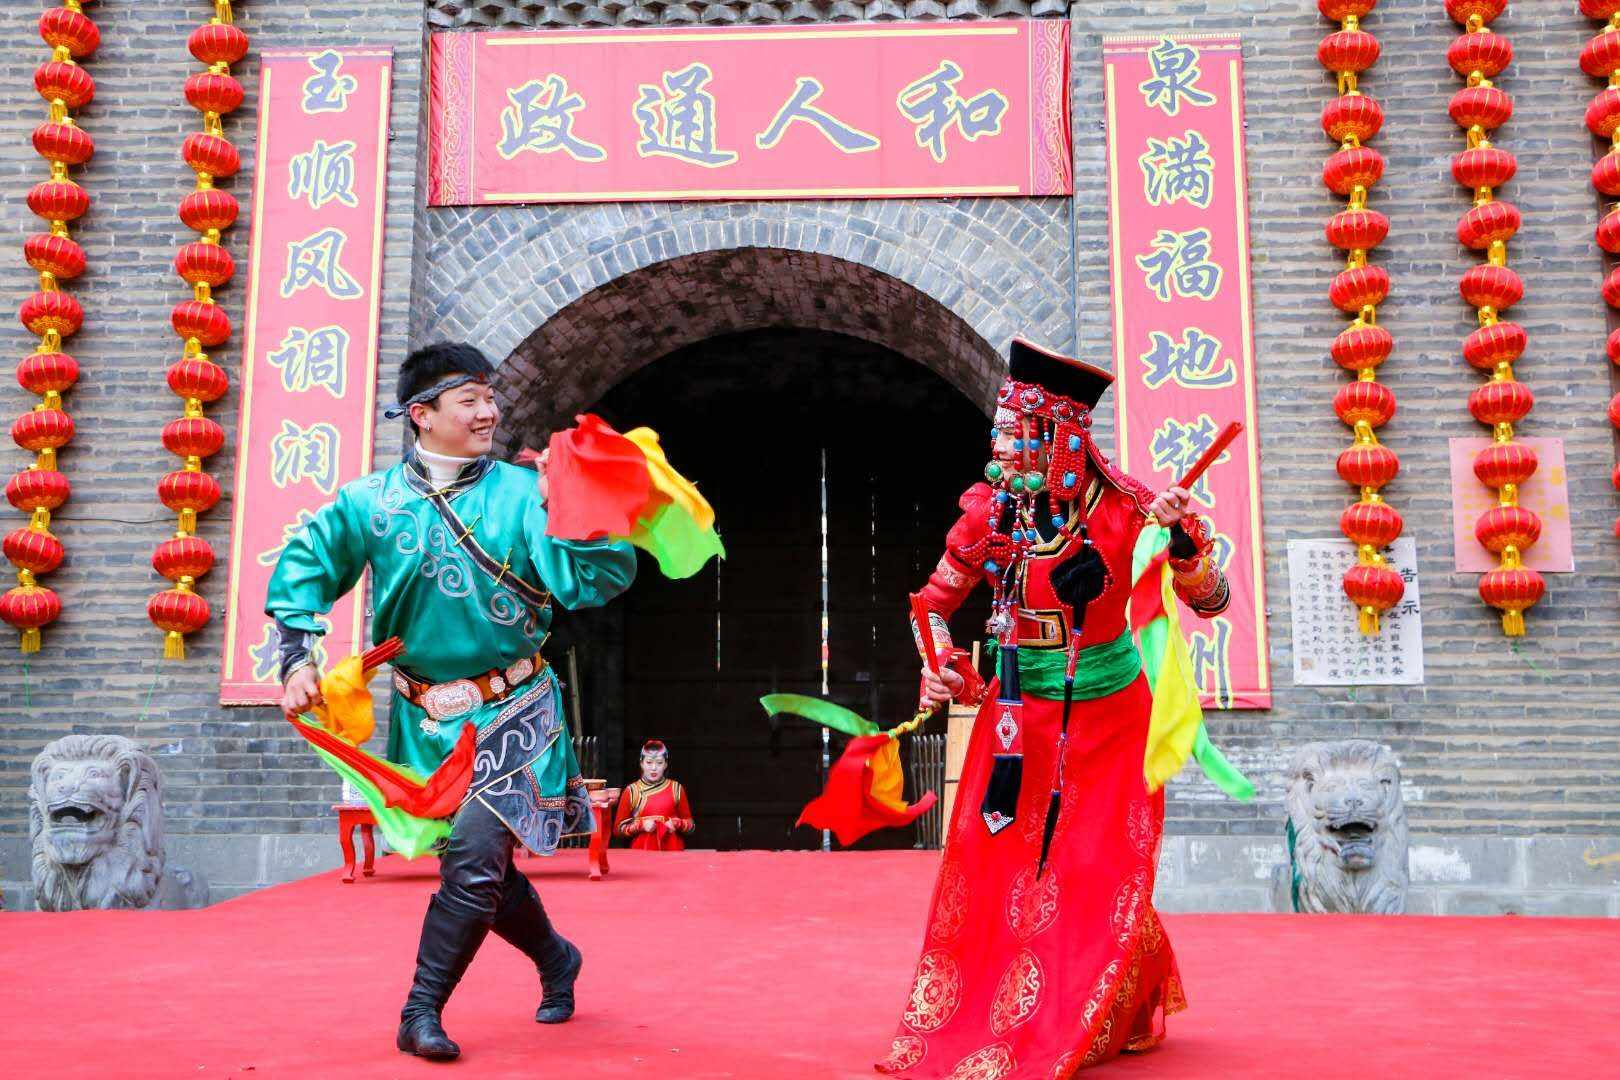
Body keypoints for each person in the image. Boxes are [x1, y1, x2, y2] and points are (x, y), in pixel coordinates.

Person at [266, 342, 638, 1062]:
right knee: (483, 868)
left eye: (490, 398)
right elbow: (306, 566)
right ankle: (557, 958)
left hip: (515, 704)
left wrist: (573, 506)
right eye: (470, 400)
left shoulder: (522, 492)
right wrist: (296, 657)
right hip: (424, 718)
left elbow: (592, 580)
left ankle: (420, 1011)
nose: (488, 412)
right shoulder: (368, 502)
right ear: (421, 414)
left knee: (471, 859)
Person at [875, 338, 1229, 1078]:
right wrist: (942, 667)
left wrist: (1179, 535)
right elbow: (931, 605)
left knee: (1093, 864)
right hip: (1017, 716)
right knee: (995, 861)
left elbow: (1211, 599)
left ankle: (1073, 1014)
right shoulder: (989, 513)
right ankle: (996, 1007)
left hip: (1112, 717)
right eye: (1001, 431)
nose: (1003, 448)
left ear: (1063, 439)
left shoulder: (1130, 509)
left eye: (1020, 434)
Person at [612, 740, 696, 850]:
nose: (654, 768)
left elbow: (691, 826)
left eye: (659, 763)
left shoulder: (676, 788)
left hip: (672, 851)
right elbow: (617, 830)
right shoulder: (631, 791)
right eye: (649, 762)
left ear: (665, 764)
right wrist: (641, 826)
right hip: (641, 853)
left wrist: (678, 823)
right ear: (641, 764)